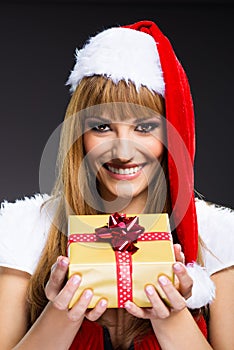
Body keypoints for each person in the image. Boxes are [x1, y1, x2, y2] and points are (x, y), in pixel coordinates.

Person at [0, 20, 233, 350]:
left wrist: (170, 318)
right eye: (102, 127)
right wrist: (60, 315)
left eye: (144, 128)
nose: (123, 152)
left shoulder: (217, 239)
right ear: (79, 135)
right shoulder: (24, 232)